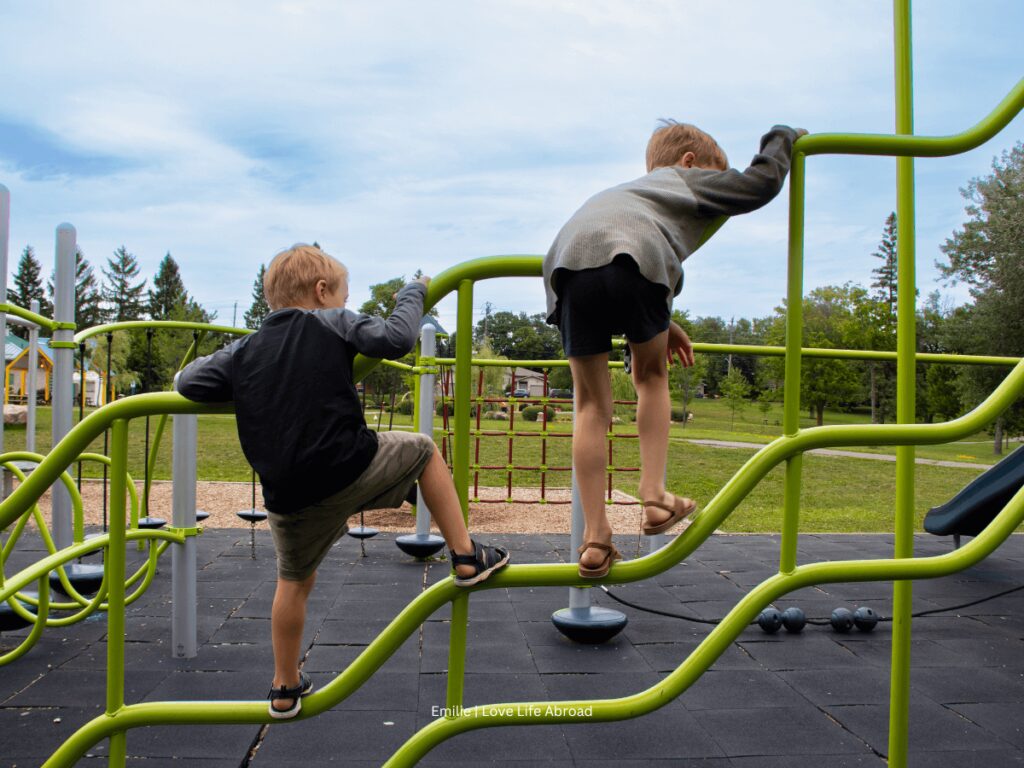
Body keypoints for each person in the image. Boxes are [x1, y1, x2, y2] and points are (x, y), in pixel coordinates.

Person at [176, 245, 510, 719]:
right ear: (321, 292)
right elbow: (397, 338)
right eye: (343, 295)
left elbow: (188, 382)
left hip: (288, 498)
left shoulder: (245, 349)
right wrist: (414, 292)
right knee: (422, 449)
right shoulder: (332, 321)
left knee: (292, 582)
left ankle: (284, 687)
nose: (344, 302)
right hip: (347, 465)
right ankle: (464, 555)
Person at [543, 121, 805, 578]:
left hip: (566, 267)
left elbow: (610, 261)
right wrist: (781, 137)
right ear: (689, 162)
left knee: (589, 406)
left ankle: (595, 539)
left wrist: (668, 321)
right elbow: (759, 185)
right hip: (637, 260)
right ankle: (656, 496)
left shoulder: (627, 193)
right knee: (650, 377)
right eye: (712, 172)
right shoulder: (683, 178)